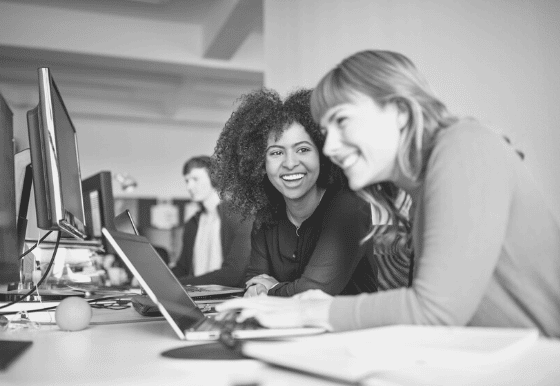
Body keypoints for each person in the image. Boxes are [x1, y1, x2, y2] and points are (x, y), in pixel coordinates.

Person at [217, 50, 560, 337]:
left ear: (398, 110)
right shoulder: (423, 188)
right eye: (326, 131)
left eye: (343, 121)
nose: (331, 147)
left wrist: (307, 311)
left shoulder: (464, 145)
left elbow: (435, 310)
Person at [211, 88, 378, 297]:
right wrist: (260, 289)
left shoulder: (350, 207)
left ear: (323, 155)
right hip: (288, 327)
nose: (290, 163)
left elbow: (315, 292)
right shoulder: (266, 217)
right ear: (260, 163)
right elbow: (254, 281)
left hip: (350, 328)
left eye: (303, 149)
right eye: (276, 152)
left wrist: (271, 289)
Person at [172, 156, 253, 287]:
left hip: (228, 299)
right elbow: (182, 269)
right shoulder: (192, 224)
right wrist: (156, 281)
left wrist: (180, 284)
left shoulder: (240, 217)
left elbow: (233, 274)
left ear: (214, 178)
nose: (189, 187)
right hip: (195, 297)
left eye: (195, 179)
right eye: (187, 181)